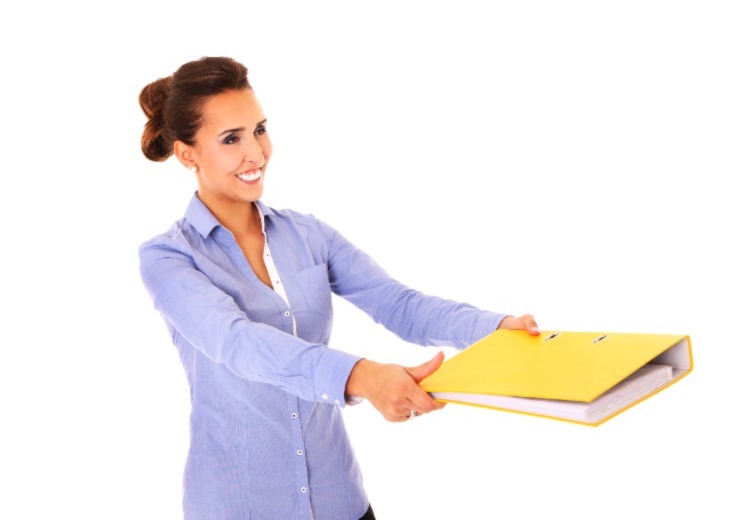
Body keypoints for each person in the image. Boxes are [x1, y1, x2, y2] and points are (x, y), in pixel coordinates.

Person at [138, 56, 539, 520]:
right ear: (188, 154)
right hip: (239, 505)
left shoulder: (308, 235)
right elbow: (238, 343)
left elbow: (398, 304)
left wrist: (496, 329)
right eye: (232, 139)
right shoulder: (168, 258)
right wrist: (362, 377)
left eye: (260, 130)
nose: (256, 153)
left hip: (338, 500)